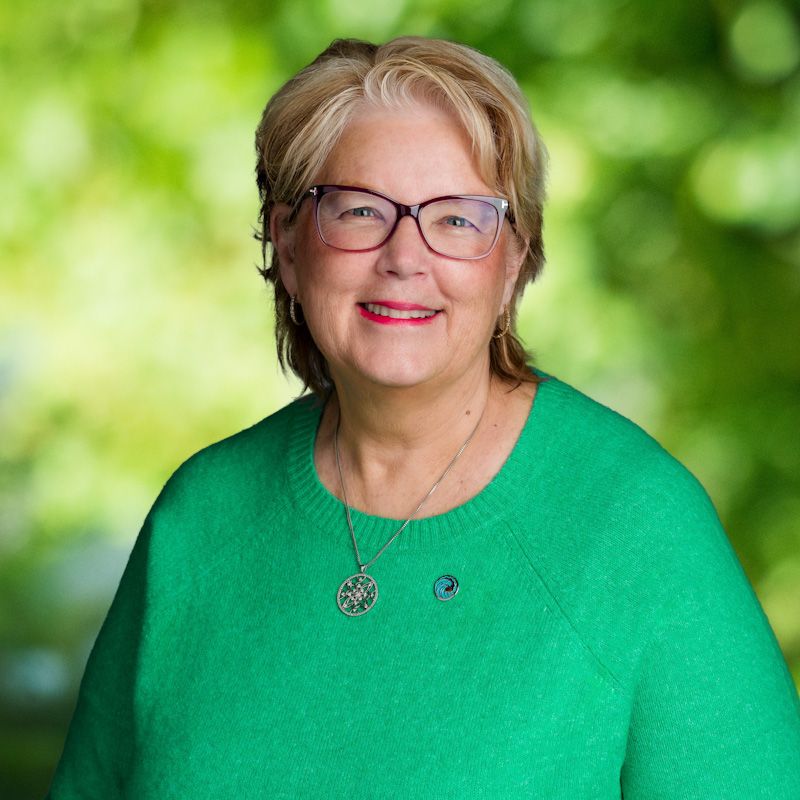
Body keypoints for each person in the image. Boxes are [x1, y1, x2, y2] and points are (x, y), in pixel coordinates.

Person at [47, 36, 800, 799]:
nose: (404, 257)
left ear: (514, 260)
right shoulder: (201, 518)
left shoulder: (636, 525)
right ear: (289, 243)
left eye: (458, 220)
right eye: (360, 210)